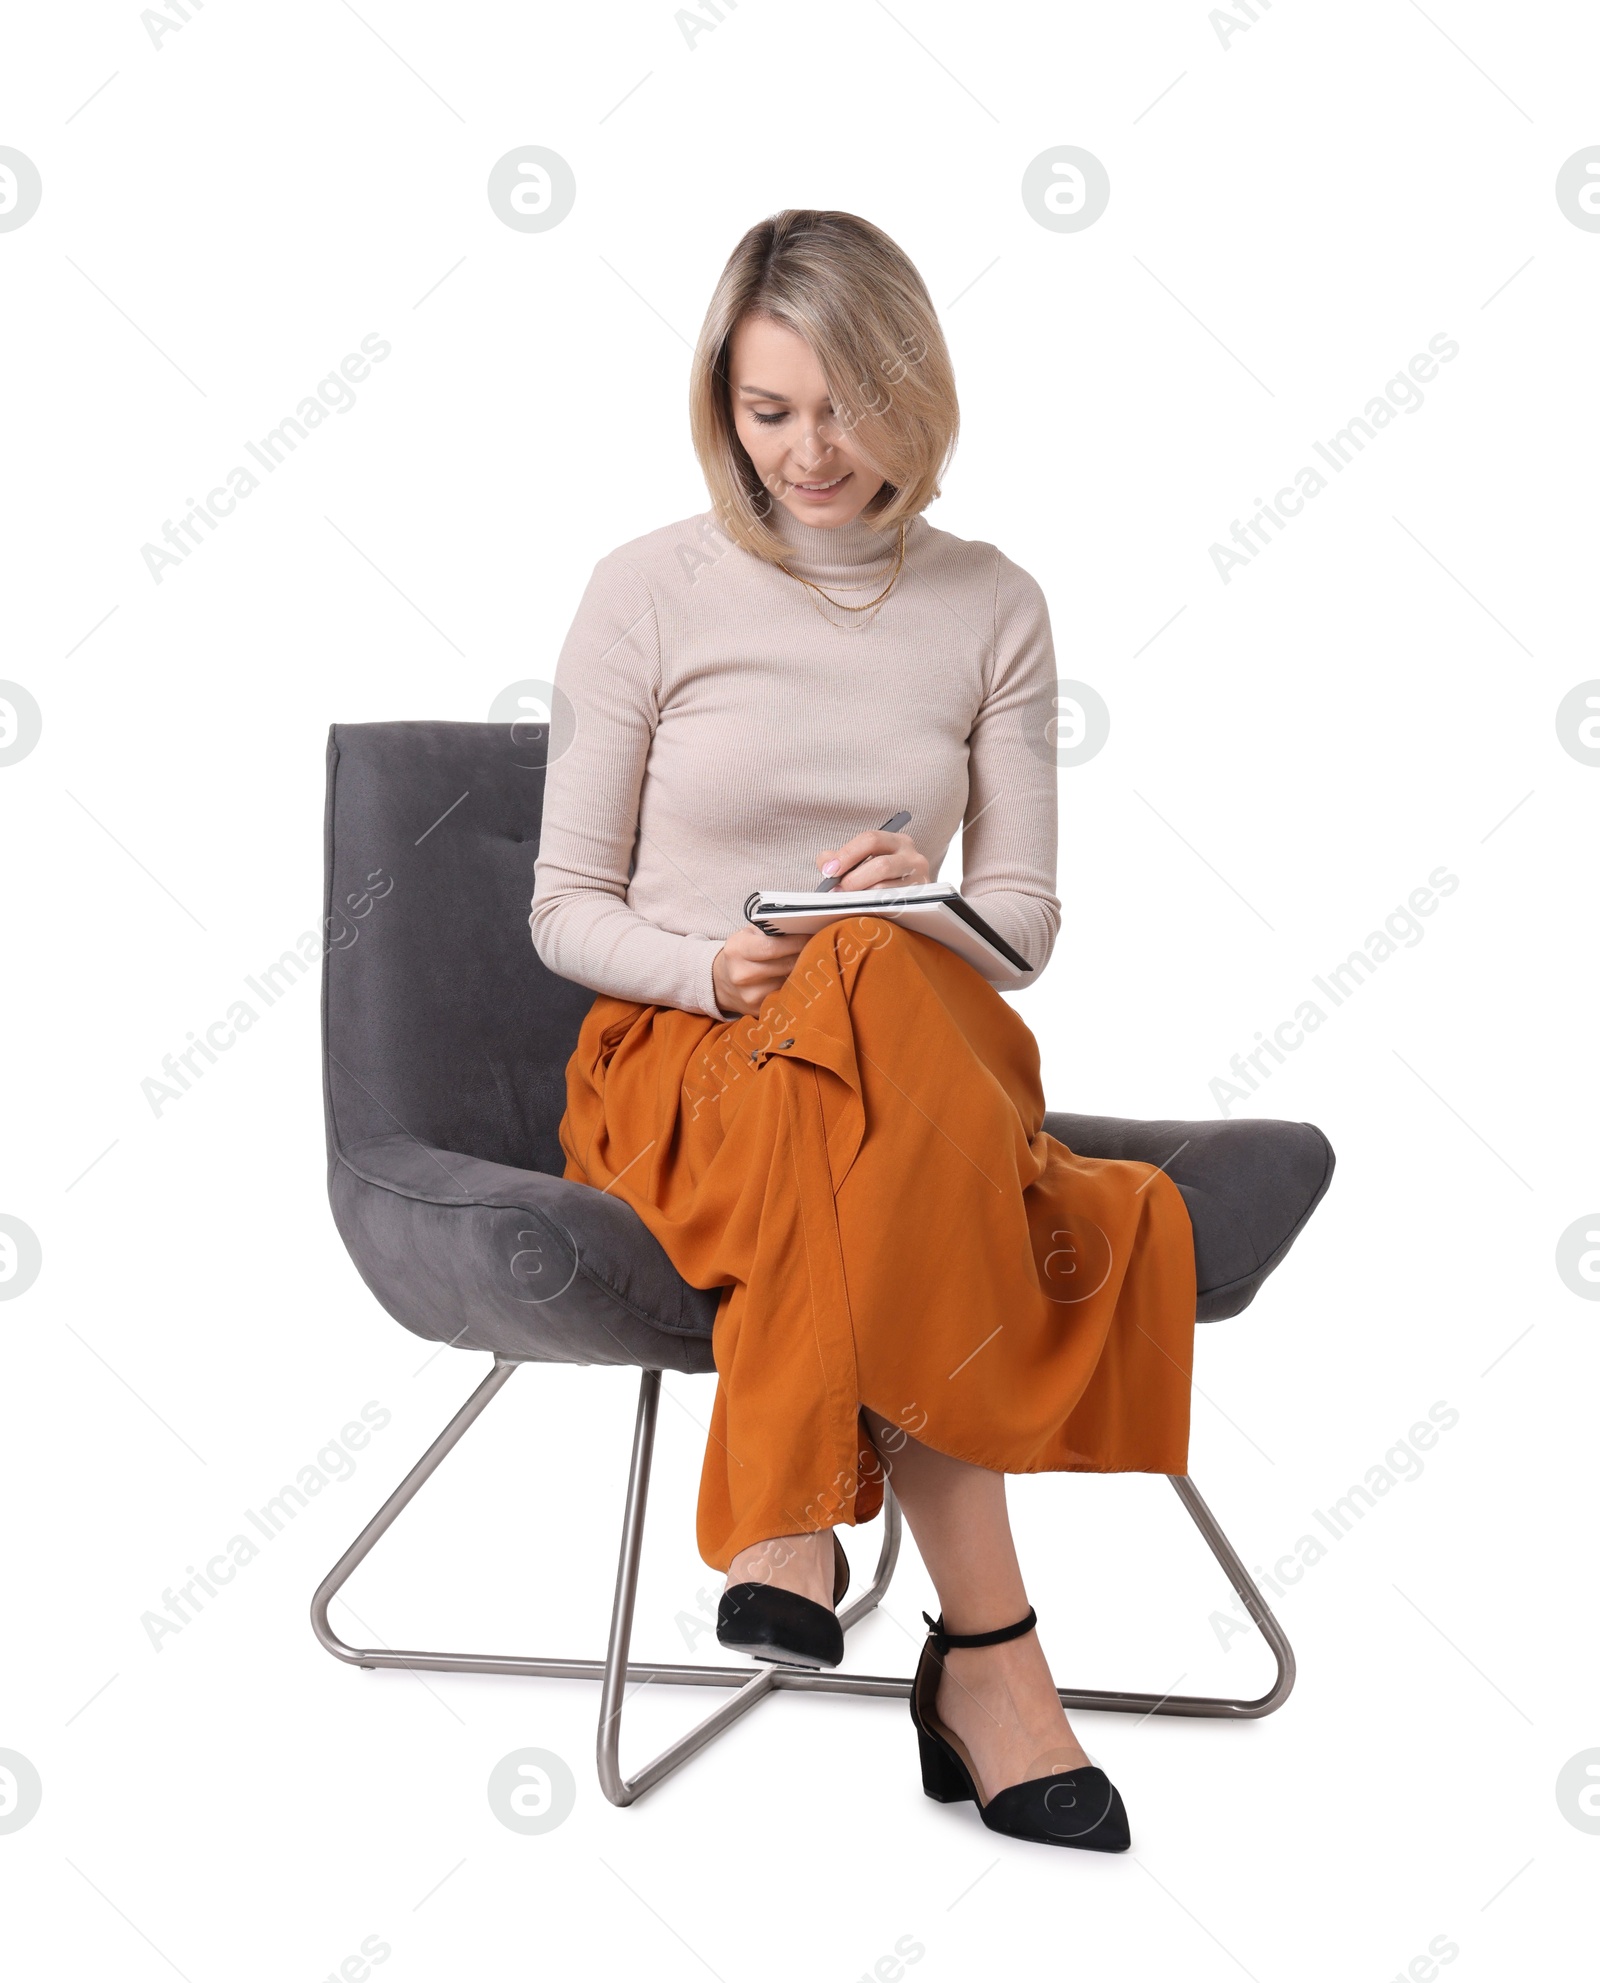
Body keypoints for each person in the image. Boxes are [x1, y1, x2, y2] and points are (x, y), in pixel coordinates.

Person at [529, 209, 1196, 1851]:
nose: (810, 453)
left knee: (891, 998)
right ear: (721, 407)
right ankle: (993, 1661)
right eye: (769, 414)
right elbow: (562, 912)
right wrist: (703, 971)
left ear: (914, 392)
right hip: (685, 1071)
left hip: (914, 1049)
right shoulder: (646, 592)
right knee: (893, 1112)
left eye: (845, 407)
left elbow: (1021, 929)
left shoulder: (994, 605)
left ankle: (788, 1529)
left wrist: (917, 906)